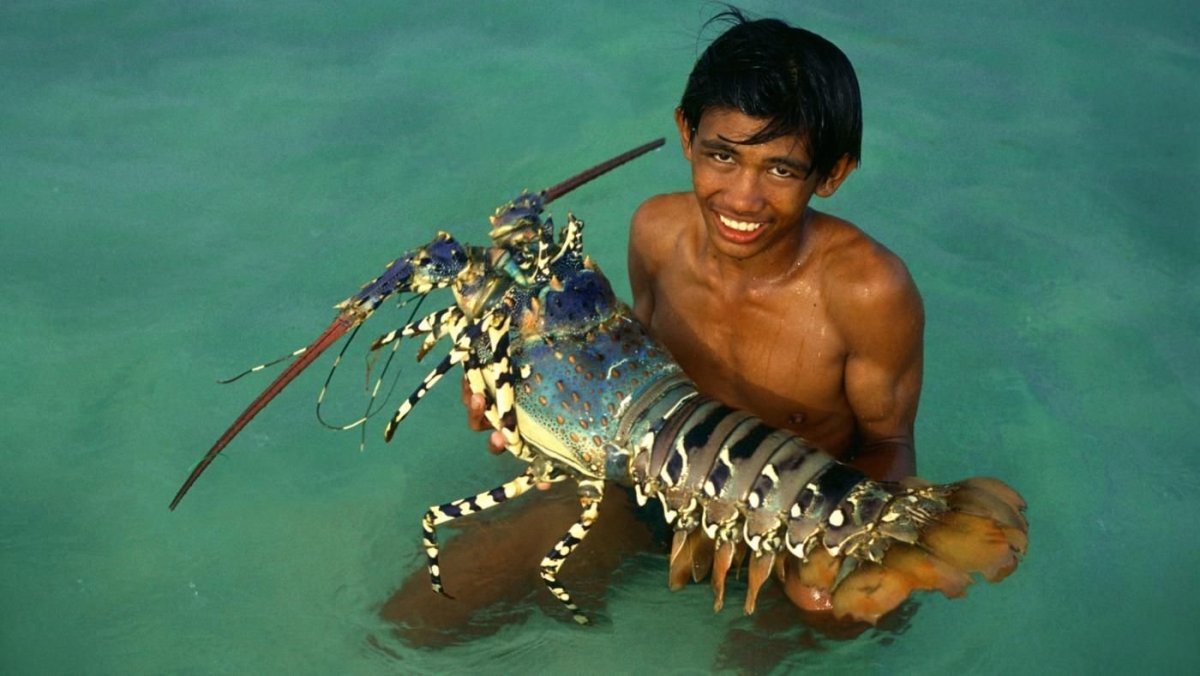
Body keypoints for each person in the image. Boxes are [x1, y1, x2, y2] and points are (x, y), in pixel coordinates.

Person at [399, 9, 923, 637]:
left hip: (792, 515)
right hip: (644, 494)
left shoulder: (869, 291)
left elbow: (890, 445)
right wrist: (518, 400)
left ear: (832, 173)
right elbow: (625, 366)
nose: (742, 197)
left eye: (781, 169)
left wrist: (833, 541)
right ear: (686, 133)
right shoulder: (656, 232)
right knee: (425, 616)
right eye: (721, 156)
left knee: (836, 616)